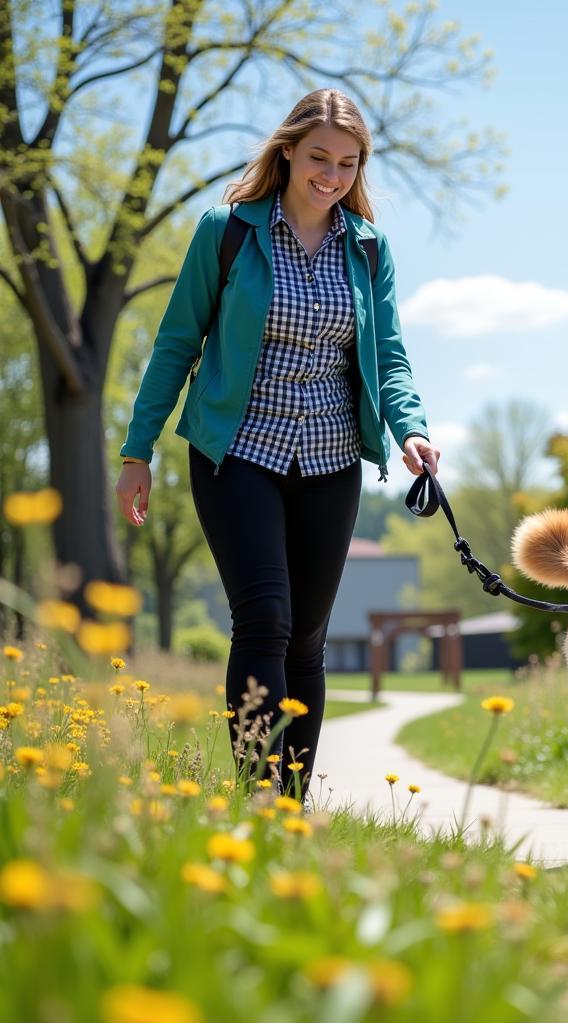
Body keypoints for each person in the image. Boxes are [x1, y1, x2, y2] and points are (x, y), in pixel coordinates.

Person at [115, 89, 440, 801]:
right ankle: (255, 796)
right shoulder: (226, 231)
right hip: (237, 454)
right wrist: (137, 452)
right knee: (264, 616)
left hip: (329, 459)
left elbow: (388, 357)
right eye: (319, 157)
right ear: (288, 150)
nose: (331, 175)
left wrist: (410, 428)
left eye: (348, 164)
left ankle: (289, 811)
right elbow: (176, 344)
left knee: (306, 641)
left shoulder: (368, 248)